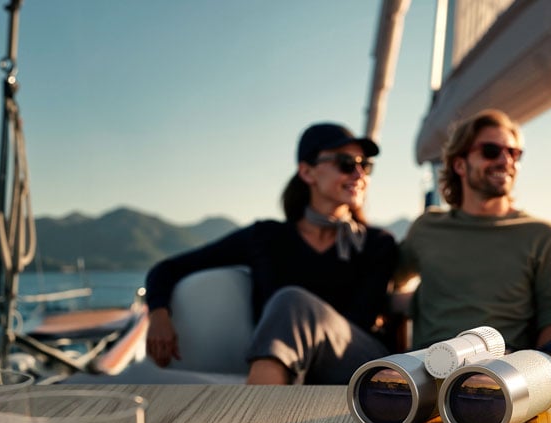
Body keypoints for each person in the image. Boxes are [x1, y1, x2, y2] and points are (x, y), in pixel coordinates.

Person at [145, 122, 398, 384]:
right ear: (307, 172)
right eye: (346, 163)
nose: (359, 174)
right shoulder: (265, 237)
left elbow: (360, 321)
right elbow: (166, 269)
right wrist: (159, 316)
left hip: (359, 364)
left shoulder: (377, 243)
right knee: (290, 303)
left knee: (291, 302)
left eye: (364, 165)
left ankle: (254, 418)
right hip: (287, 364)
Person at [395, 109, 551, 384]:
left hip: (506, 370)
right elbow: (390, 278)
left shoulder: (544, 235)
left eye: (515, 153)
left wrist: (530, 369)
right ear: (459, 164)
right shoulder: (427, 228)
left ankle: (493, 394)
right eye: (491, 150)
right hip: (430, 368)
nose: (506, 160)